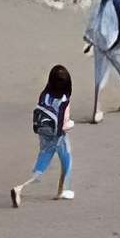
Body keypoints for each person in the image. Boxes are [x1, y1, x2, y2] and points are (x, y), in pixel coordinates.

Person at [13, 65, 75, 206]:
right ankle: (62, 190)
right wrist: (71, 124)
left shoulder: (44, 95)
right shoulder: (64, 101)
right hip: (59, 136)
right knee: (66, 160)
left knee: (42, 162)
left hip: (44, 134)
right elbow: (64, 124)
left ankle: (20, 187)